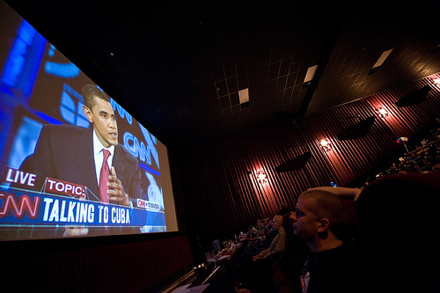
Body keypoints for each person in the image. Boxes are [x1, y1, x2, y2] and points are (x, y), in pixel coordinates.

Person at [19, 84, 144, 236]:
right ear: (89, 114)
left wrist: (127, 202)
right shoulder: (55, 140)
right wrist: (62, 235)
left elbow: (142, 217)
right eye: (103, 115)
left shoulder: (130, 162)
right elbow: (22, 214)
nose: (112, 125)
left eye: (113, 118)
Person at [290, 189, 360, 293]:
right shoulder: (312, 247)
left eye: (300, 213)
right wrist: (353, 192)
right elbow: (310, 191)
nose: (291, 217)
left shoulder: (338, 273)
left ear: (322, 225)